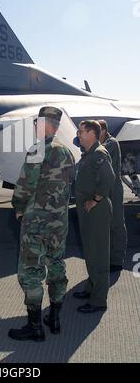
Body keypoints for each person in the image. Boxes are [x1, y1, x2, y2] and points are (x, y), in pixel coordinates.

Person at [9, 107, 75, 341]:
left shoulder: (39, 148)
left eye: (37, 122)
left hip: (37, 222)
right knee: (56, 265)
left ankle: (35, 326)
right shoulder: (67, 151)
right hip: (59, 221)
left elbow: (25, 185)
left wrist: (18, 207)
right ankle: (54, 318)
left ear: (47, 123)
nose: (35, 125)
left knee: (31, 271)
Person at [74, 121, 115, 313]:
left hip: (96, 210)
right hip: (88, 209)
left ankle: (99, 300)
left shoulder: (99, 153)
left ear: (92, 134)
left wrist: (96, 200)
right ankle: (92, 288)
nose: (78, 134)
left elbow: (108, 178)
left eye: (81, 131)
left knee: (98, 253)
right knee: (90, 250)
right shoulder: (88, 155)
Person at [98, 120, 127, 272]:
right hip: (105, 188)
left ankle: (117, 260)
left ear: (103, 130)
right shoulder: (103, 142)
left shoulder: (111, 142)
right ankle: (109, 258)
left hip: (114, 189)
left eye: (97, 131)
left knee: (116, 224)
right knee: (106, 225)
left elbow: (100, 151)